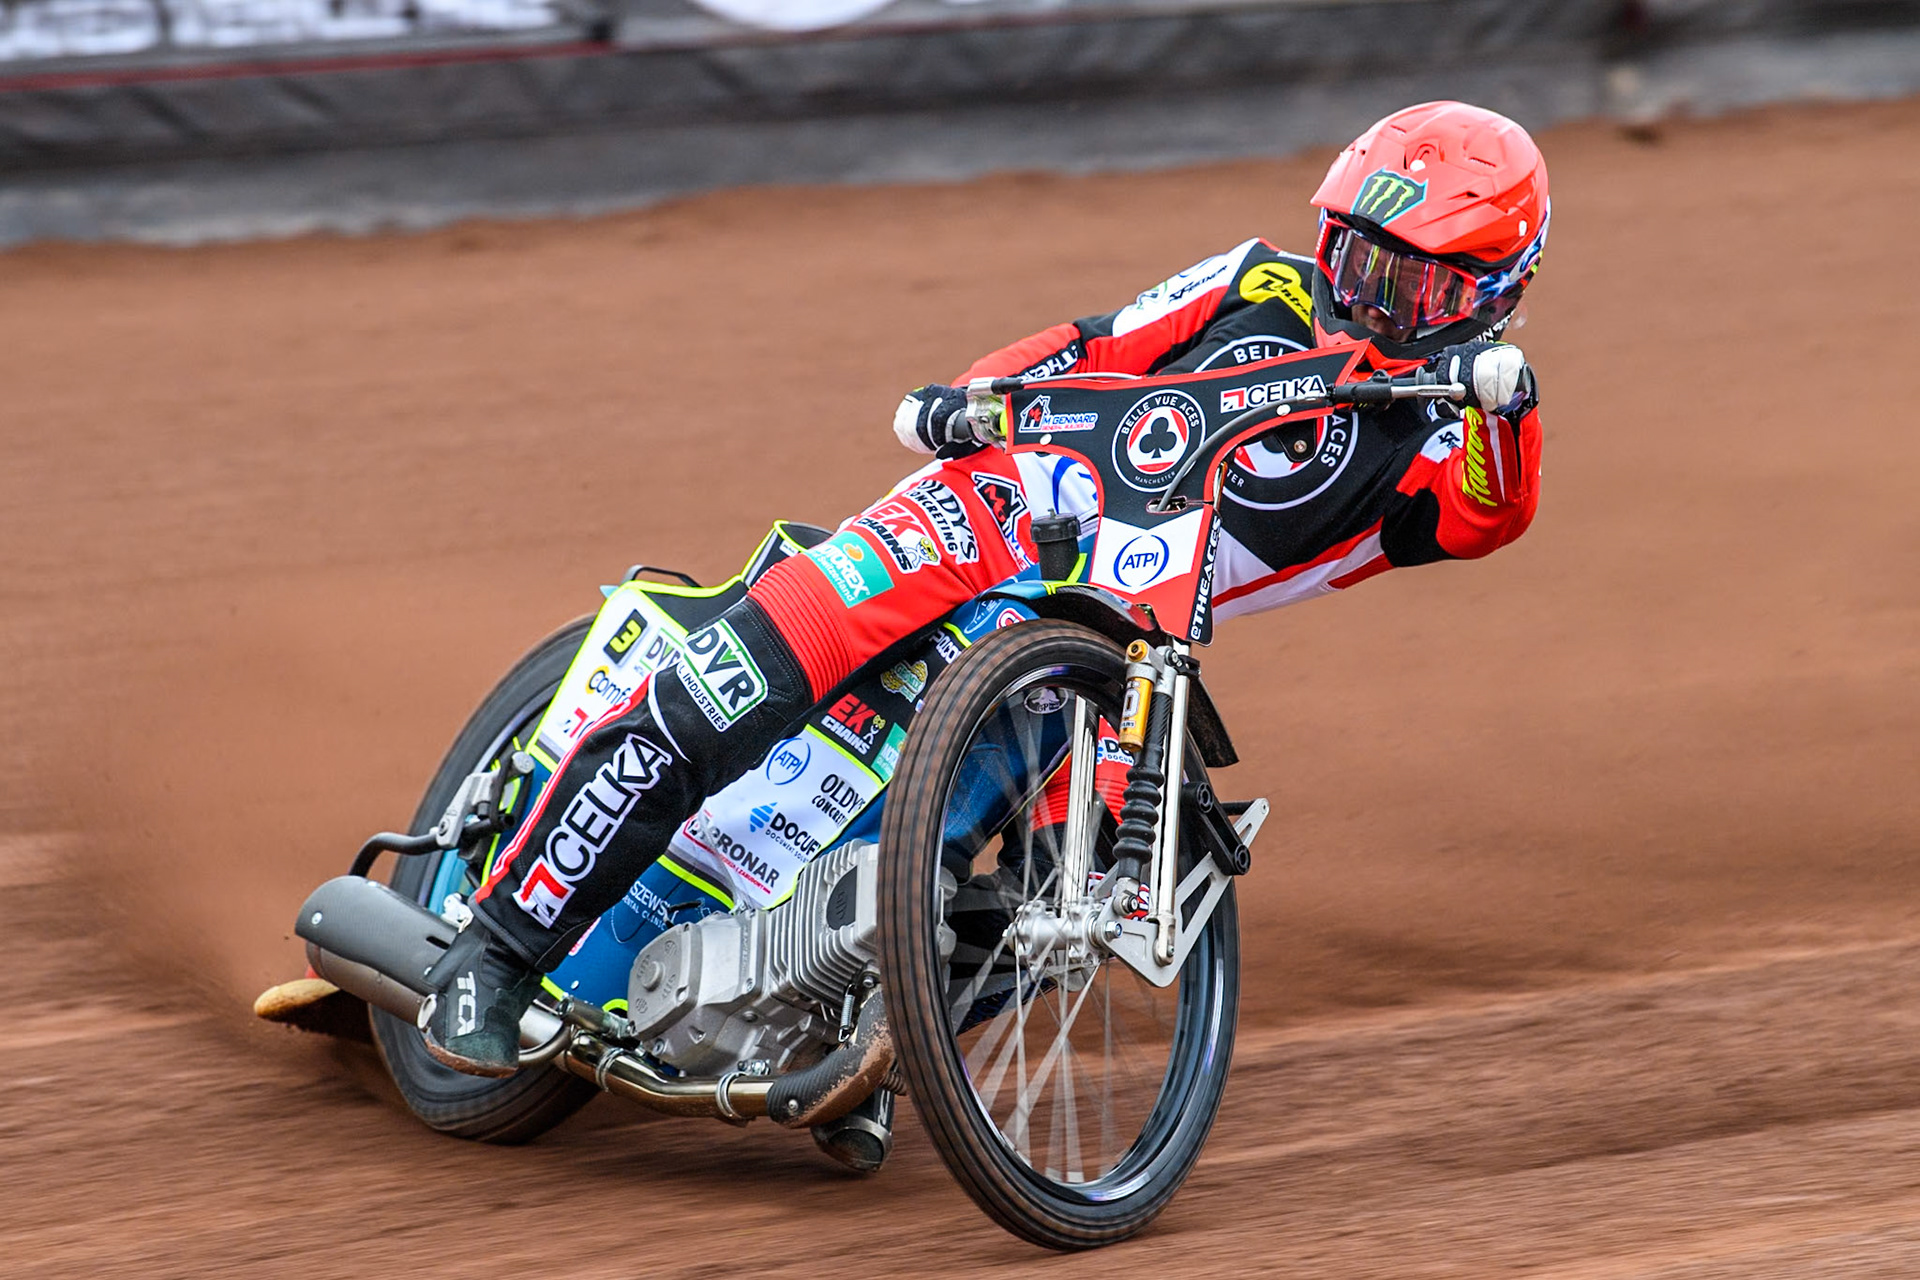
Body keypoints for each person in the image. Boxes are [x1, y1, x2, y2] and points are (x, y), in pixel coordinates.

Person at [418, 99, 1551, 1078]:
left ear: (1490, 293)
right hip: (988, 511)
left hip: (1109, 635)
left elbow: (1496, 512)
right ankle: (495, 952)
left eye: (1398, 277)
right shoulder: (1257, 277)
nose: (1354, 291)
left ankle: (857, 1042)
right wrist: (976, 395)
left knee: (1083, 888)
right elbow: (1096, 340)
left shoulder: (1433, 453)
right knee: (734, 682)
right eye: (1348, 252)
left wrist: (1509, 401)